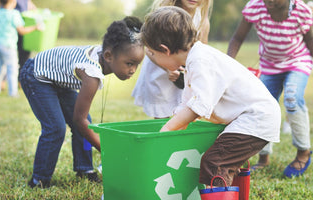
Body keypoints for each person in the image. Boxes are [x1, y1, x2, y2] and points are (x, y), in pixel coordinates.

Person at [140, 6, 280, 187]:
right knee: (225, 162)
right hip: (250, 118)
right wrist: (177, 125)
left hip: (255, 118)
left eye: (152, 53)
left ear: (164, 49)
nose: (153, 59)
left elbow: (198, 107)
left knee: (215, 163)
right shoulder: (194, 60)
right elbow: (187, 105)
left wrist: (167, 129)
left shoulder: (200, 61)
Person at [19, 16, 144, 188]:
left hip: (57, 80)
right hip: (36, 75)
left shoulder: (105, 54)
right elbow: (79, 119)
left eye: (137, 64)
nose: (133, 70)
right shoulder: (91, 73)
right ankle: (39, 179)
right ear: (108, 56)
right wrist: (104, 148)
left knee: (87, 124)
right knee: (56, 128)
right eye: (129, 63)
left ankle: (84, 169)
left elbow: (82, 121)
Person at [227, 0, 313, 177]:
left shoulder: (301, 11)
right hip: (269, 65)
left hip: (297, 61)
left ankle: (303, 152)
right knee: (262, 106)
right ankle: (264, 157)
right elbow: (237, 38)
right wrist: (228, 65)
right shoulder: (255, 8)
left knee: (291, 97)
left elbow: (310, 40)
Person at [132, 0, 212, 119]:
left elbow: (202, 51)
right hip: (160, 70)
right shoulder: (164, 15)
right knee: (162, 109)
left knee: (184, 110)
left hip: (183, 73)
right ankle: (162, 134)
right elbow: (148, 48)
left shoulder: (201, 21)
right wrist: (167, 69)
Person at [0, 0, 41, 97]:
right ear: (12, 2)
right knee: (13, 70)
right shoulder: (14, 14)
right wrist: (35, 27)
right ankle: (13, 93)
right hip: (9, 46)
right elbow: (21, 31)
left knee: (0, 68)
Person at [16, 0, 36, 70]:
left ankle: (21, 78)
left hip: (25, 29)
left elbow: (31, 6)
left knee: (24, 57)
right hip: (16, 31)